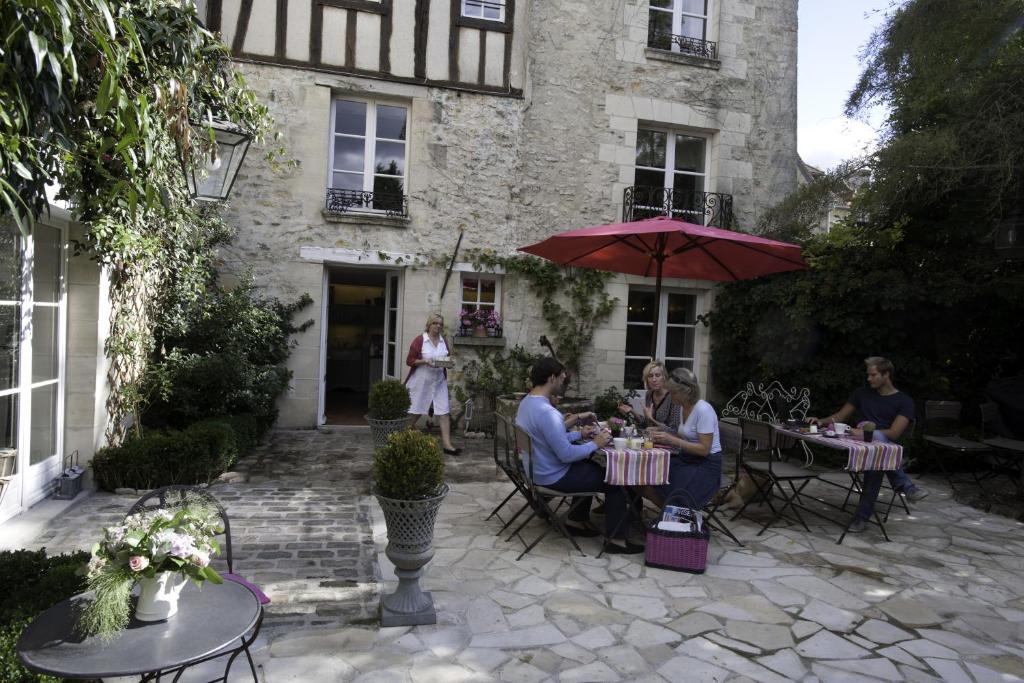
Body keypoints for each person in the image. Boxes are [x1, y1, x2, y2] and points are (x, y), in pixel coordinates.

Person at [516, 357, 643, 554]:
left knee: (591, 466)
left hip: (537, 470)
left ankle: (576, 520)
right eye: (561, 377)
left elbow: (549, 437)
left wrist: (579, 434)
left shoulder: (527, 403)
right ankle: (616, 540)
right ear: (551, 378)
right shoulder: (547, 412)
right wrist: (595, 443)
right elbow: (566, 455)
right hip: (552, 476)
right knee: (614, 478)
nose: (563, 381)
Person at [808, 356, 929, 533]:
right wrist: (820, 421)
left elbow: (895, 433)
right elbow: (840, 417)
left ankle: (861, 518)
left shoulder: (905, 401)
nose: (868, 379)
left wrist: (868, 434)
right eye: (868, 375)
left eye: (873, 375)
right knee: (877, 457)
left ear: (886, 374)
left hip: (885, 451)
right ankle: (905, 486)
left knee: (876, 461)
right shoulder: (861, 393)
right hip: (860, 448)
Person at [649, 368, 723, 510]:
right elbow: (686, 437)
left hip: (706, 465)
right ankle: (673, 515)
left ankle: (678, 516)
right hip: (688, 459)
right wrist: (663, 434)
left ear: (687, 391)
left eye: (673, 392)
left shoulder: (703, 410)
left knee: (673, 485)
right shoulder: (683, 406)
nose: (670, 396)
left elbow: (704, 449)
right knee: (654, 472)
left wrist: (672, 440)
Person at [405, 312, 460, 455]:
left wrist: (449, 363)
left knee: (444, 412)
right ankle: (403, 435)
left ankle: (447, 446)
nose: (438, 326)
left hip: (438, 381)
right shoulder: (420, 340)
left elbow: (446, 358)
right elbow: (409, 361)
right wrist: (425, 361)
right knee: (416, 411)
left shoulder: (443, 341)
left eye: (440, 324)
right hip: (421, 381)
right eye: (435, 323)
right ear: (429, 325)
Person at [617, 360, 681, 433]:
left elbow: (675, 430)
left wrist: (652, 420)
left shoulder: (673, 396)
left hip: (669, 442)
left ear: (664, 377)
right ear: (646, 379)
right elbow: (647, 424)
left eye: (657, 375)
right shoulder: (649, 394)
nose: (654, 379)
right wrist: (632, 411)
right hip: (652, 440)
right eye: (650, 376)